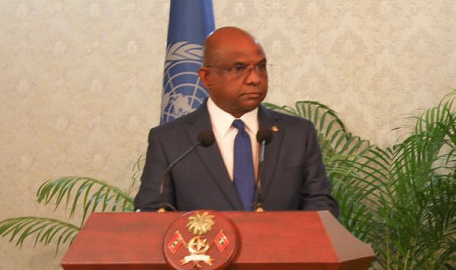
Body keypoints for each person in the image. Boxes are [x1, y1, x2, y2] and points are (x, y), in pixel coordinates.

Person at [134, 26, 339, 216]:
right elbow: (152, 215)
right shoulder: (169, 141)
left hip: (283, 253)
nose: (255, 79)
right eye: (239, 68)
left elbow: (320, 205)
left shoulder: (298, 134)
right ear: (207, 78)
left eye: (261, 67)